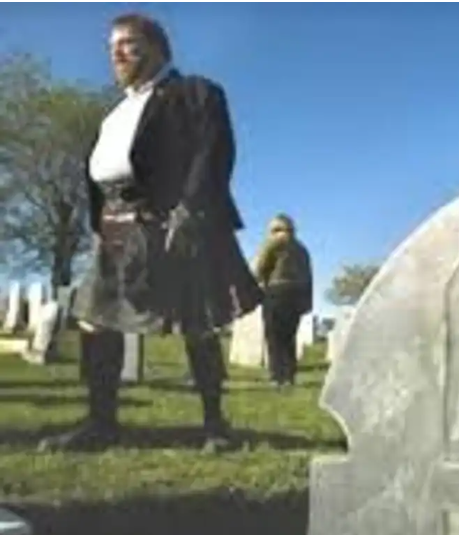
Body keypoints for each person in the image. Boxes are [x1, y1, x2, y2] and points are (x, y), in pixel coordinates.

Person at [38, 13, 263, 453]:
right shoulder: (117, 111)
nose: (116, 53)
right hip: (116, 225)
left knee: (196, 322)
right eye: (112, 47)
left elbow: (213, 152)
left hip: (171, 220)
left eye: (128, 44)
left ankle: (216, 426)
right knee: (94, 318)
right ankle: (101, 424)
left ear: (158, 49)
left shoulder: (194, 92)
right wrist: (98, 225)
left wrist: (190, 212)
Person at [255, 214, 313, 389]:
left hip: (276, 291)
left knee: (273, 336)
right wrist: (307, 302)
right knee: (289, 337)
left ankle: (276, 376)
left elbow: (260, 266)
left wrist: (257, 284)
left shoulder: (273, 242)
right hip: (297, 294)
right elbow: (309, 276)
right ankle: (289, 376)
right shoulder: (302, 249)